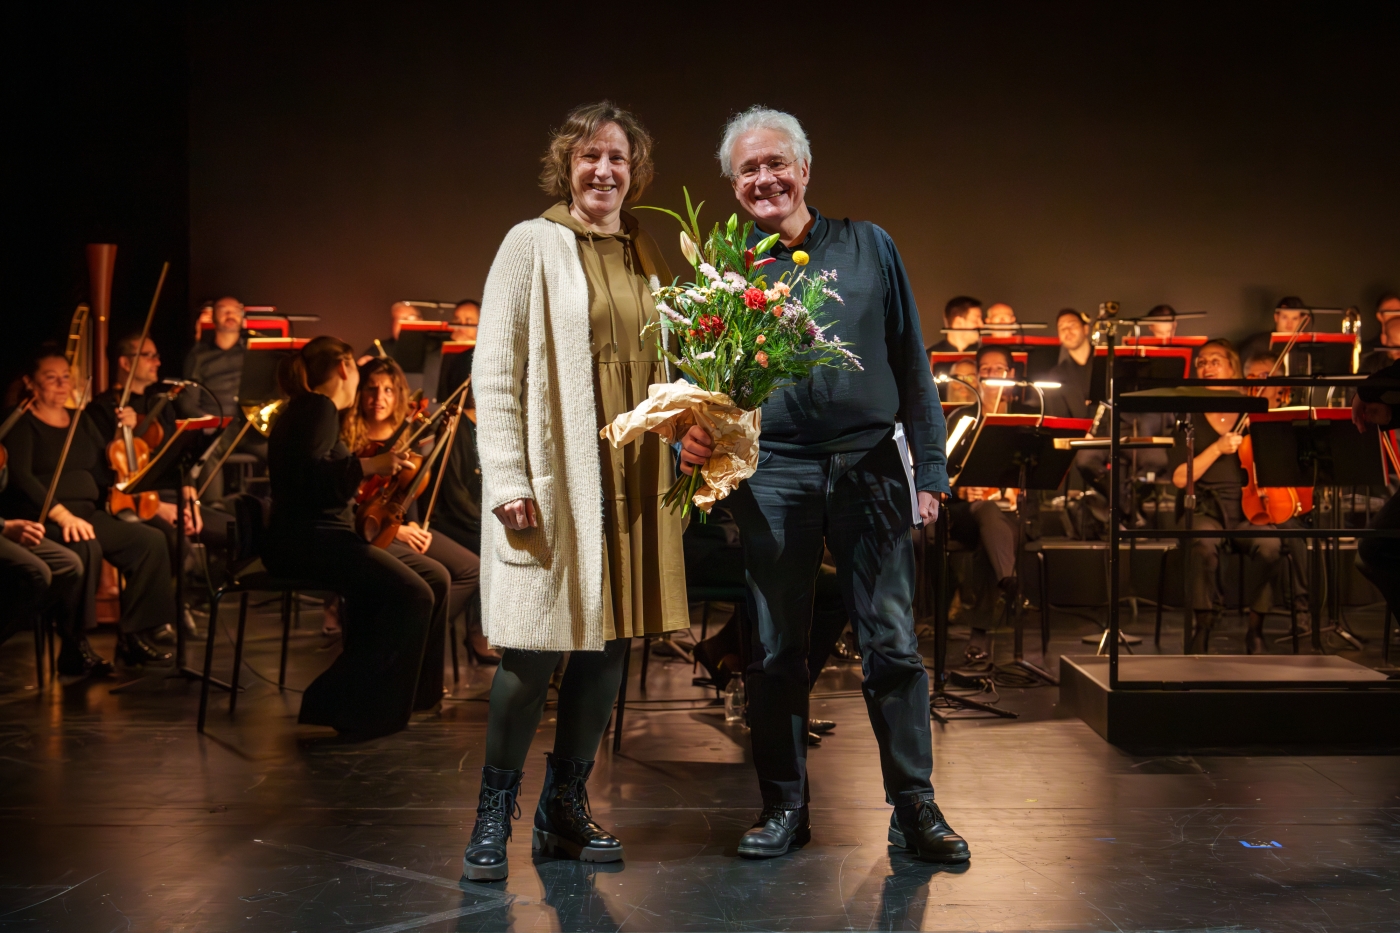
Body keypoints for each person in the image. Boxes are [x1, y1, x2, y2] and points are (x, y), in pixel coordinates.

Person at [701, 105, 965, 864]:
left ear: (805, 169)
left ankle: (914, 807)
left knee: (892, 646)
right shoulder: (725, 268)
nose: (764, 179)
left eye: (776, 163)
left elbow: (912, 359)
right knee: (776, 649)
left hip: (869, 467)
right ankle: (784, 806)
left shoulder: (869, 245)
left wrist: (932, 469)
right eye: (748, 169)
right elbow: (705, 380)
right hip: (772, 472)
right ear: (733, 184)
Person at [464, 101, 700, 881]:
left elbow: (663, 369)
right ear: (567, 164)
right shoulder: (529, 243)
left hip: (635, 475)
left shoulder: (644, 251)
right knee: (531, 652)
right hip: (559, 473)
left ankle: (563, 807)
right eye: (591, 156)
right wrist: (506, 475)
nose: (605, 171)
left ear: (636, 175)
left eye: (619, 160)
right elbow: (493, 372)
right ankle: (492, 813)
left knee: (609, 648)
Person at [262, 336, 433, 738]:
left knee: (419, 584)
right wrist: (373, 463)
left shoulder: (307, 409)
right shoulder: (318, 407)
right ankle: (335, 700)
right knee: (415, 594)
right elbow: (313, 479)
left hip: (312, 536)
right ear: (344, 368)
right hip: (311, 540)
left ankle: (389, 703)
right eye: (358, 369)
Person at [0, 347, 176, 668]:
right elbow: (22, 478)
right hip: (43, 515)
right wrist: (61, 514)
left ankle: (134, 635)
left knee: (149, 541)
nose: (61, 384)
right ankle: (73, 643)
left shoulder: (82, 420)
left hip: (88, 513)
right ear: (30, 382)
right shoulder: (22, 424)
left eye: (65, 377)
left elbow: (107, 462)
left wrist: (127, 429)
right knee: (84, 545)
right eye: (50, 378)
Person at [340, 356, 478, 701]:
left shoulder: (410, 433)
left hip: (399, 523)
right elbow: (348, 502)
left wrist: (412, 524)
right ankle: (409, 647)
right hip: (365, 530)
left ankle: (414, 636)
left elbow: (407, 492)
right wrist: (398, 531)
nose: (379, 397)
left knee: (470, 569)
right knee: (429, 579)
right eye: (371, 389)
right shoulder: (346, 435)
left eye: (388, 389)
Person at [1168, 339, 1307, 654]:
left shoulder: (1253, 412)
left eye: (1216, 360)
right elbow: (1179, 477)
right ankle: (1204, 624)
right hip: (1206, 510)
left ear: (1233, 367)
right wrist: (1217, 447)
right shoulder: (1187, 418)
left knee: (1273, 548)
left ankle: (1255, 628)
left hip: (1250, 509)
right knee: (1201, 545)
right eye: (1202, 362)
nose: (1207, 367)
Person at [947, 346, 1027, 664]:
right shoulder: (961, 418)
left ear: (1012, 375)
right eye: (986, 369)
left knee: (991, 532)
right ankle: (1008, 579)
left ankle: (979, 636)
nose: (992, 375)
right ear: (977, 375)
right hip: (964, 514)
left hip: (1008, 515)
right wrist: (961, 490)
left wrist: (1013, 493)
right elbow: (943, 472)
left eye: (999, 369)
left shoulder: (1029, 416)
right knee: (985, 512)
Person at [1044, 308, 1093, 418]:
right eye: (1062, 328)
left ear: (1085, 329)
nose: (1067, 331)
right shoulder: (1056, 375)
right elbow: (1059, 418)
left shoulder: (1107, 364)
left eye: (1072, 325)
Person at [1239, 296, 1307, 368]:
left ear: (1301, 320)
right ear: (1276, 317)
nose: (1289, 323)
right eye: (1285, 317)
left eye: (1295, 318)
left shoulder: (1304, 346)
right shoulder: (1257, 344)